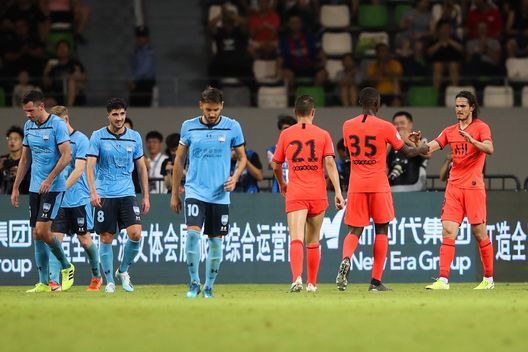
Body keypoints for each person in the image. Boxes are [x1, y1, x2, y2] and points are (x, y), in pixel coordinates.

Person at [335, 87, 429, 292]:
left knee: (354, 229)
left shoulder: (347, 126)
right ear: (377, 104)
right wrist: (420, 147)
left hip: (356, 184)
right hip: (378, 183)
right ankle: (375, 282)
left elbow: (351, 152)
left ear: (360, 103)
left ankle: (346, 259)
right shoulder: (386, 127)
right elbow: (408, 151)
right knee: (382, 229)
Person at [170, 87, 247, 298]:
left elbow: (242, 158)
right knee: (193, 235)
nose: (212, 114)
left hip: (220, 194)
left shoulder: (232, 127)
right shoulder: (189, 127)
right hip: (195, 190)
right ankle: (194, 282)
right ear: (200, 106)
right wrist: (175, 192)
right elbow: (179, 160)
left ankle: (209, 286)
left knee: (215, 241)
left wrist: (236, 176)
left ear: (221, 106)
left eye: (215, 109)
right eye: (208, 109)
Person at [416, 90, 495, 290]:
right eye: (457, 106)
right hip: (453, 187)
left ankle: (488, 279)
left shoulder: (481, 128)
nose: (458, 109)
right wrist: (416, 143)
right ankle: (443, 280)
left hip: (474, 187)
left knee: (479, 232)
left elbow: (489, 148)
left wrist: (472, 141)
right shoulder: (450, 131)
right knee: (448, 231)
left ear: (472, 108)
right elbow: (429, 149)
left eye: (462, 106)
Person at [272, 95, 345, 292]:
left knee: (296, 238)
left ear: (295, 114)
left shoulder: (286, 135)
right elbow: (329, 163)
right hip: (317, 192)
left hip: (296, 191)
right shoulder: (323, 134)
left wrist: (281, 183)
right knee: (313, 240)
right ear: (313, 113)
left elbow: (276, 164)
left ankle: (297, 278)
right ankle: (312, 283)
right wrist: (338, 191)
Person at [11, 90, 75, 293]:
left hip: (53, 187)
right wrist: (15, 187)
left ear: (41, 106)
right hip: (34, 188)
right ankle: (43, 282)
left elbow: (67, 156)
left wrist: (50, 179)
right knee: (36, 235)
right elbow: (25, 159)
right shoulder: (29, 126)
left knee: (42, 230)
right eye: (25, 111)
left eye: (30, 110)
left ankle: (66, 266)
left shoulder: (57, 124)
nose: (27, 114)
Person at [86, 97, 150, 293]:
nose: (119, 118)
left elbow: (141, 168)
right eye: (115, 114)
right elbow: (89, 165)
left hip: (127, 193)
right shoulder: (97, 136)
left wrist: (146, 195)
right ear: (108, 115)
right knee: (106, 237)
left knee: (136, 234)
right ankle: (109, 282)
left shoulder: (135, 137)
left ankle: (122, 271)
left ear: (125, 114)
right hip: (104, 193)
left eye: (122, 114)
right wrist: (93, 191)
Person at [46, 105, 102, 291]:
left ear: (66, 120)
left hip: (79, 199)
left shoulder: (81, 140)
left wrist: (60, 189)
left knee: (84, 240)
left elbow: (78, 171)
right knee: (55, 239)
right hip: (59, 201)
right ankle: (53, 282)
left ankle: (96, 276)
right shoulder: (55, 142)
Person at [387, 111, 429, 192]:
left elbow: (428, 154)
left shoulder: (420, 140)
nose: (399, 126)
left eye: (402, 123)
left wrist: (408, 140)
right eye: (395, 124)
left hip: (414, 187)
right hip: (392, 188)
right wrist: (392, 141)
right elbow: (379, 157)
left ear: (410, 124)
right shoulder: (389, 143)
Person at [266, 115, 297, 192]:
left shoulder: (300, 150)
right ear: (280, 131)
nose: (287, 132)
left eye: (290, 129)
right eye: (285, 129)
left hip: (297, 191)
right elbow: (275, 167)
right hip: (279, 192)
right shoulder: (272, 150)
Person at [129, 26, 156, 107]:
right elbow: (132, 66)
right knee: (134, 106)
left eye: (143, 37)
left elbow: (146, 69)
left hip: (145, 83)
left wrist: (133, 79)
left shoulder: (149, 52)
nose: (140, 39)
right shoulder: (136, 51)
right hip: (136, 83)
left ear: (147, 38)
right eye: (139, 37)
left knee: (143, 107)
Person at [0, 125, 31, 194]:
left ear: (22, 142)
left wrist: (22, 176)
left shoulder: (28, 161)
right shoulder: (3, 161)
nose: (12, 141)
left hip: (24, 198)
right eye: (10, 138)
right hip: (4, 198)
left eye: (16, 139)